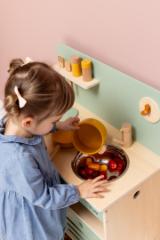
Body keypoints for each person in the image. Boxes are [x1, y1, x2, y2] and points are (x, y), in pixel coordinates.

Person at [0, 59, 108, 240]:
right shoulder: (19, 159)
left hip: (30, 190)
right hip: (32, 225)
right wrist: (79, 191)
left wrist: (59, 126)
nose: (55, 123)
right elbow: (45, 198)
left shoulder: (15, 122)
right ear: (29, 122)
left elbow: (36, 129)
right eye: (53, 120)